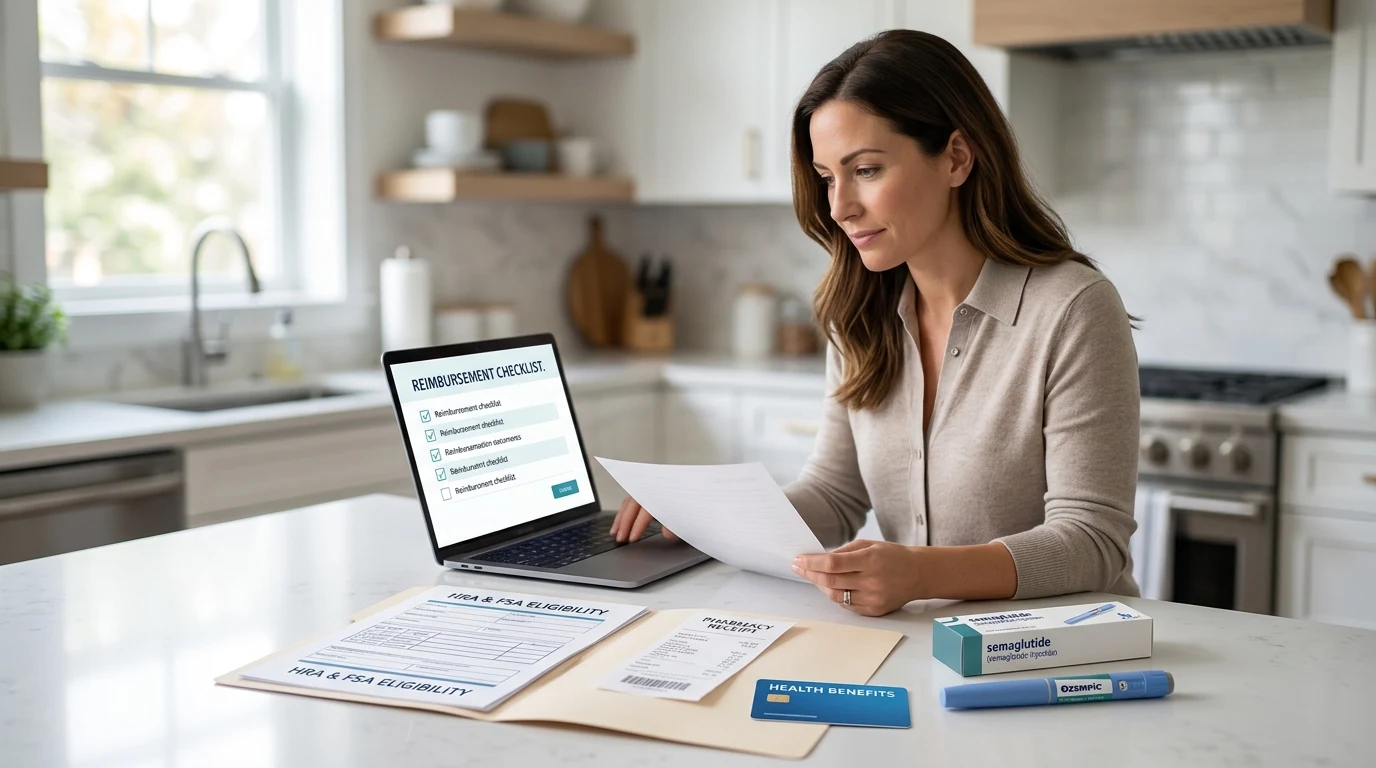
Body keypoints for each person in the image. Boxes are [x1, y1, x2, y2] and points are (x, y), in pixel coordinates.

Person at [610, 30, 1140, 617]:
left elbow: (1093, 541)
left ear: (957, 158)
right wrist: (703, 519)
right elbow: (834, 494)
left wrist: (917, 572)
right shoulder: (858, 312)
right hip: (918, 643)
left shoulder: (1073, 308)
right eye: (828, 178)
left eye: (865, 170)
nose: (839, 208)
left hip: (1062, 654)